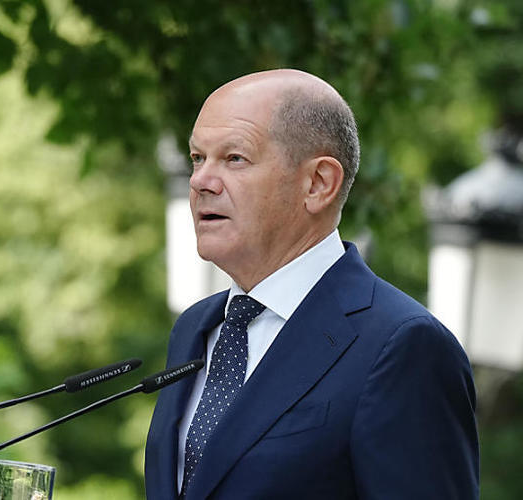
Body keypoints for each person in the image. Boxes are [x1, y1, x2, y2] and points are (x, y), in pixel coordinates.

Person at [145, 69, 479, 499]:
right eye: (197, 158)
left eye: (234, 159)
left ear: (319, 183)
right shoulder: (195, 327)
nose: (200, 181)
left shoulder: (403, 346)